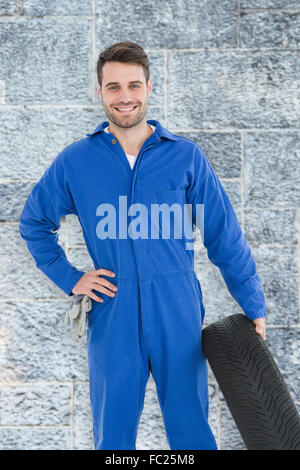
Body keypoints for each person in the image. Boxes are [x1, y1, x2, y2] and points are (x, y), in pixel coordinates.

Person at [19, 41, 267, 450]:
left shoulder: (185, 157)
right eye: (113, 87)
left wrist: (252, 303)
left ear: (149, 87)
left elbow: (223, 234)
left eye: (133, 85)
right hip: (112, 310)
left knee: (191, 433)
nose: (125, 96)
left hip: (177, 309)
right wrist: (72, 277)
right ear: (100, 93)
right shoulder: (76, 161)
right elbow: (34, 223)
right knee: (112, 437)